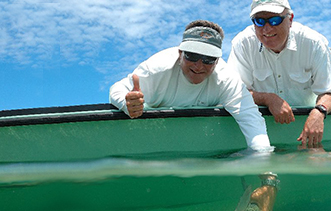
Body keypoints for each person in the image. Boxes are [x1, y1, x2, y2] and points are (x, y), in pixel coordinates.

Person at [109, 20, 271, 151]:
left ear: (217, 60)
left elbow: (252, 121)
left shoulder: (226, 78)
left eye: (208, 59)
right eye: (192, 55)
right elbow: (117, 89)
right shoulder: (156, 68)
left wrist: (268, 176)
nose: (199, 66)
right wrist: (127, 103)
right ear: (180, 52)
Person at [227, 0, 331, 147]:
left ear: (290, 19)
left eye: (275, 20)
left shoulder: (313, 42)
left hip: (309, 128)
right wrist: (268, 99)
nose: (267, 29)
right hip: (259, 131)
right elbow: (235, 93)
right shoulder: (242, 44)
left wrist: (319, 112)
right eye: (259, 21)